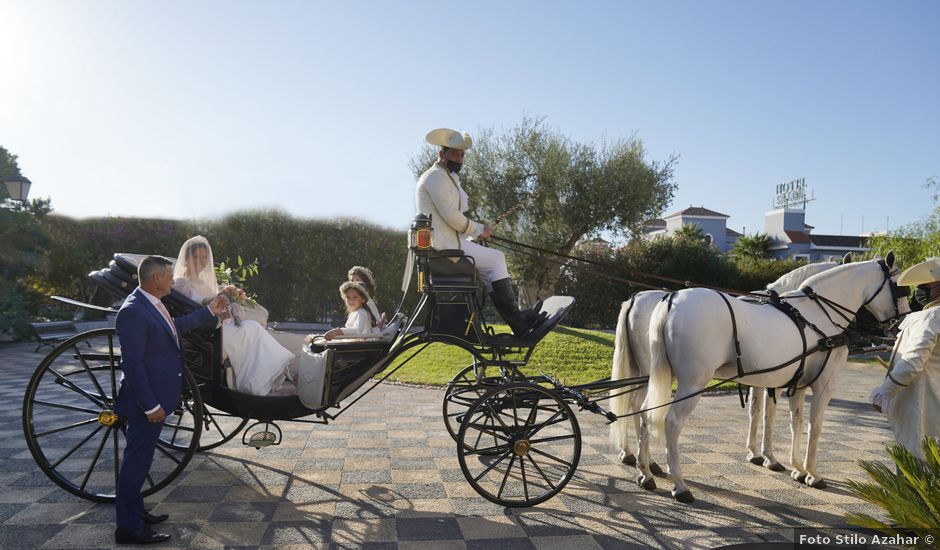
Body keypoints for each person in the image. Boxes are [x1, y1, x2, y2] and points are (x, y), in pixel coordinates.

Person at [114, 255, 227, 545]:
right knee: (135, 464)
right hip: (146, 404)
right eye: (168, 276)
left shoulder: (151, 302)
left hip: (157, 397)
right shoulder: (134, 312)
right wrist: (150, 405)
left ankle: (136, 512)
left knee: (140, 462)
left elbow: (173, 328)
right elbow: (133, 365)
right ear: (155, 280)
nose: (173, 280)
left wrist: (210, 311)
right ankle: (128, 527)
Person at [415, 127, 539, 336]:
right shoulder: (437, 177)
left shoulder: (446, 177)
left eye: (462, 155)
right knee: (497, 259)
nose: (459, 158)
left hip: (450, 243)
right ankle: (517, 321)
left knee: (490, 268)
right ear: (441, 154)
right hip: (446, 248)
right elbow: (450, 215)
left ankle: (516, 320)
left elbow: (450, 219)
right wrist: (477, 230)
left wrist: (473, 232)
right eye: (455, 153)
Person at [173, 235, 296, 396]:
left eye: (204, 257)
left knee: (254, 328)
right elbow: (197, 301)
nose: (201, 261)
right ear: (187, 259)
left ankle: (269, 380)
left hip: (220, 325)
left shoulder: (205, 282)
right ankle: (257, 384)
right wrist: (216, 298)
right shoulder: (181, 282)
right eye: (196, 256)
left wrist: (229, 299)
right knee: (252, 328)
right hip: (205, 333)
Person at [869, 257, 940, 460]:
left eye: (925, 285)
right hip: (934, 402)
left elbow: (912, 362)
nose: (919, 289)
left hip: (920, 403)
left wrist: (885, 392)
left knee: (915, 467)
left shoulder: (931, 316)